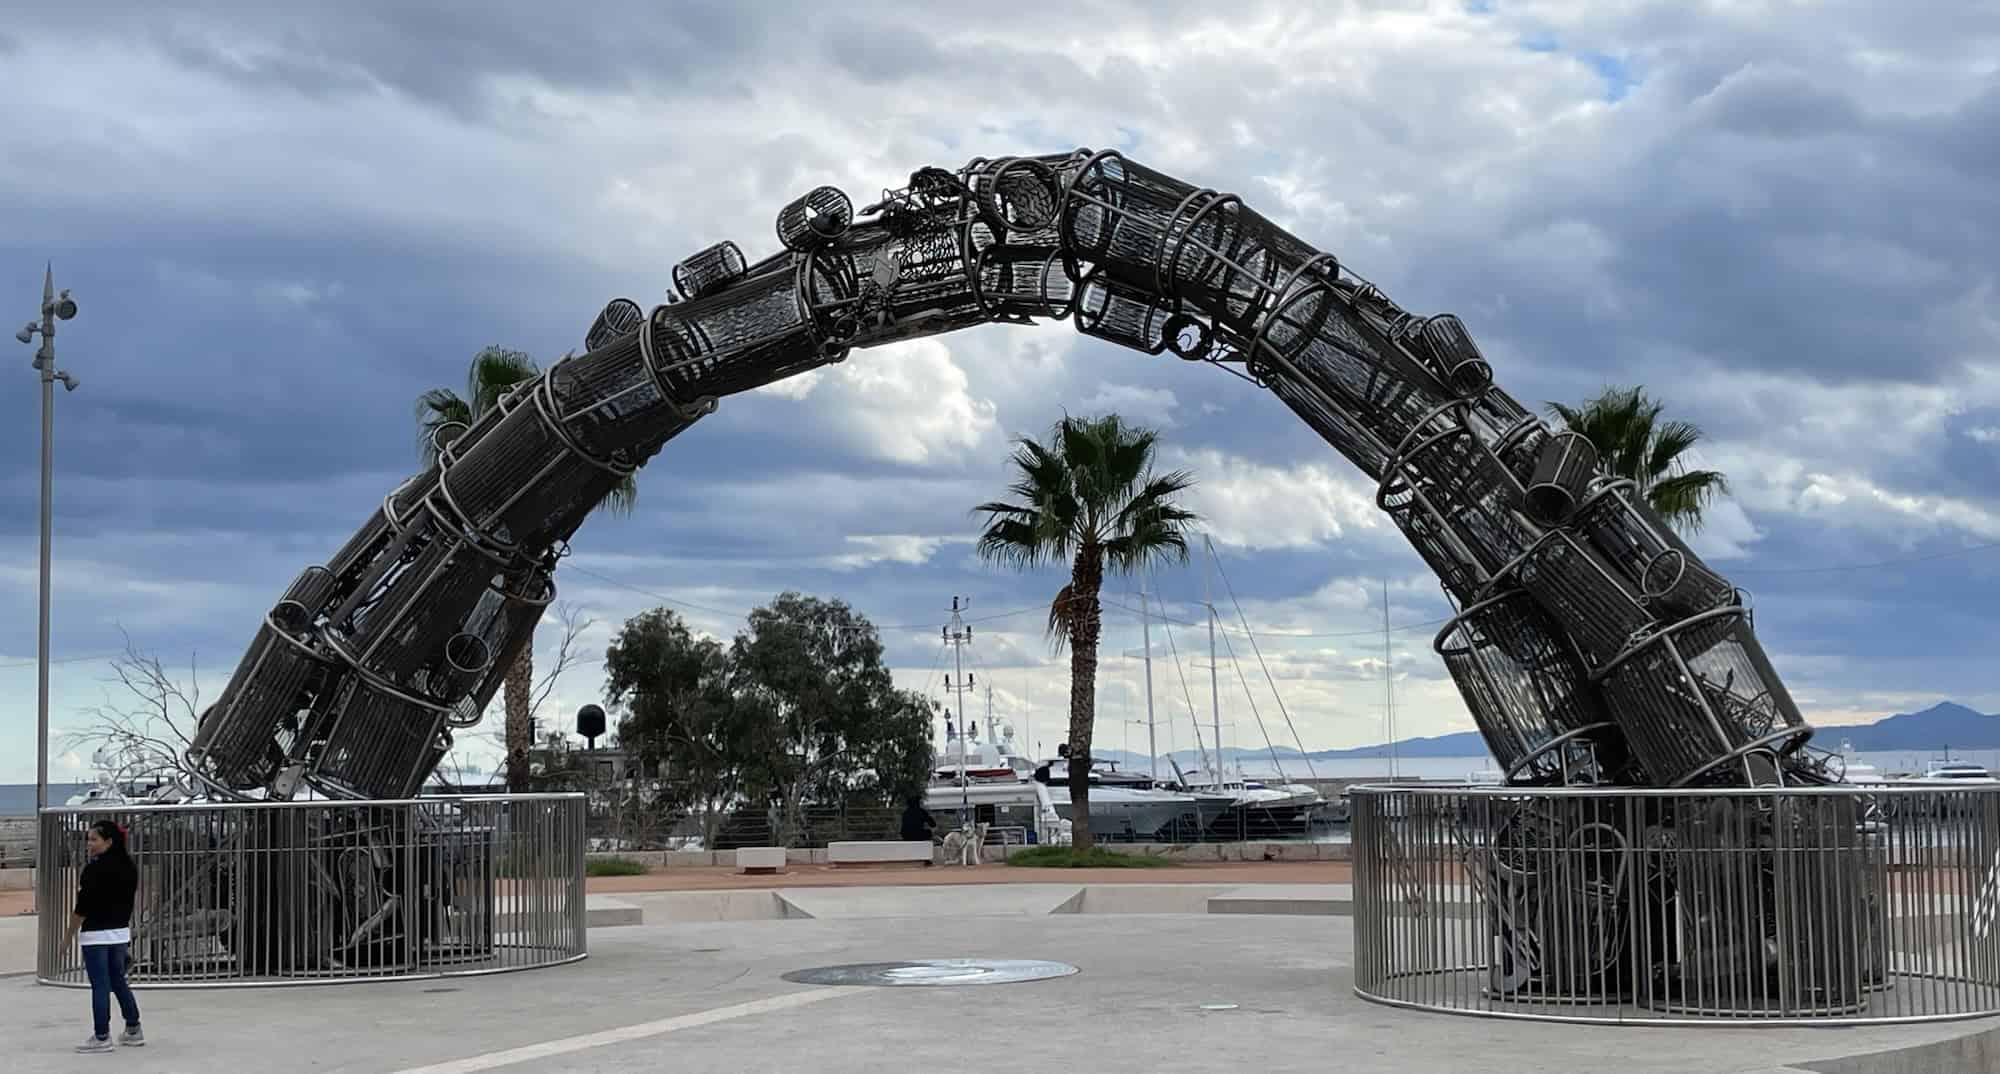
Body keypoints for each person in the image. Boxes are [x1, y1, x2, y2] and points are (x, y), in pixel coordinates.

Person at [67, 819, 143, 1052]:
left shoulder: (94, 869)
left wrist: (67, 936)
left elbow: (82, 907)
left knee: (100, 984)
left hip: (96, 934)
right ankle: (133, 1028)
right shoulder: (129, 866)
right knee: (118, 980)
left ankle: (101, 1036)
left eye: (93, 839)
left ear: (108, 841)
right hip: (119, 932)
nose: (89, 844)